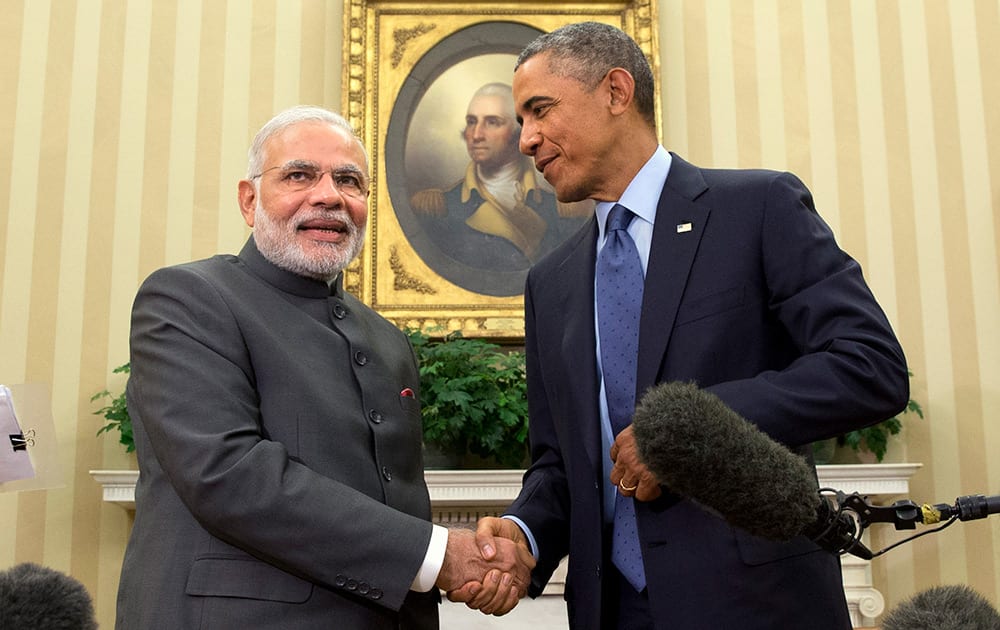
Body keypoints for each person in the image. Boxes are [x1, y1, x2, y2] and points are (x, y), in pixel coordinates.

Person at [454, 22, 910, 629]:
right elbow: (561, 464)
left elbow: (869, 367)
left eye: (540, 111)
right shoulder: (550, 283)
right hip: (612, 612)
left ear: (616, 92)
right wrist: (522, 535)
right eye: (520, 120)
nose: (527, 140)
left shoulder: (759, 208)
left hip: (759, 605)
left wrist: (686, 435)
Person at [115, 105, 533, 629]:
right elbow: (228, 474)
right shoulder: (187, 298)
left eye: (348, 181)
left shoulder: (386, 339)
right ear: (249, 201)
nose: (329, 196)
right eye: (299, 175)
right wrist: (439, 555)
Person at [411, 82, 586, 272]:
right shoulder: (437, 207)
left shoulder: (563, 209)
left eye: (492, 122)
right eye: (471, 122)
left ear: (519, 132)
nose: (476, 135)